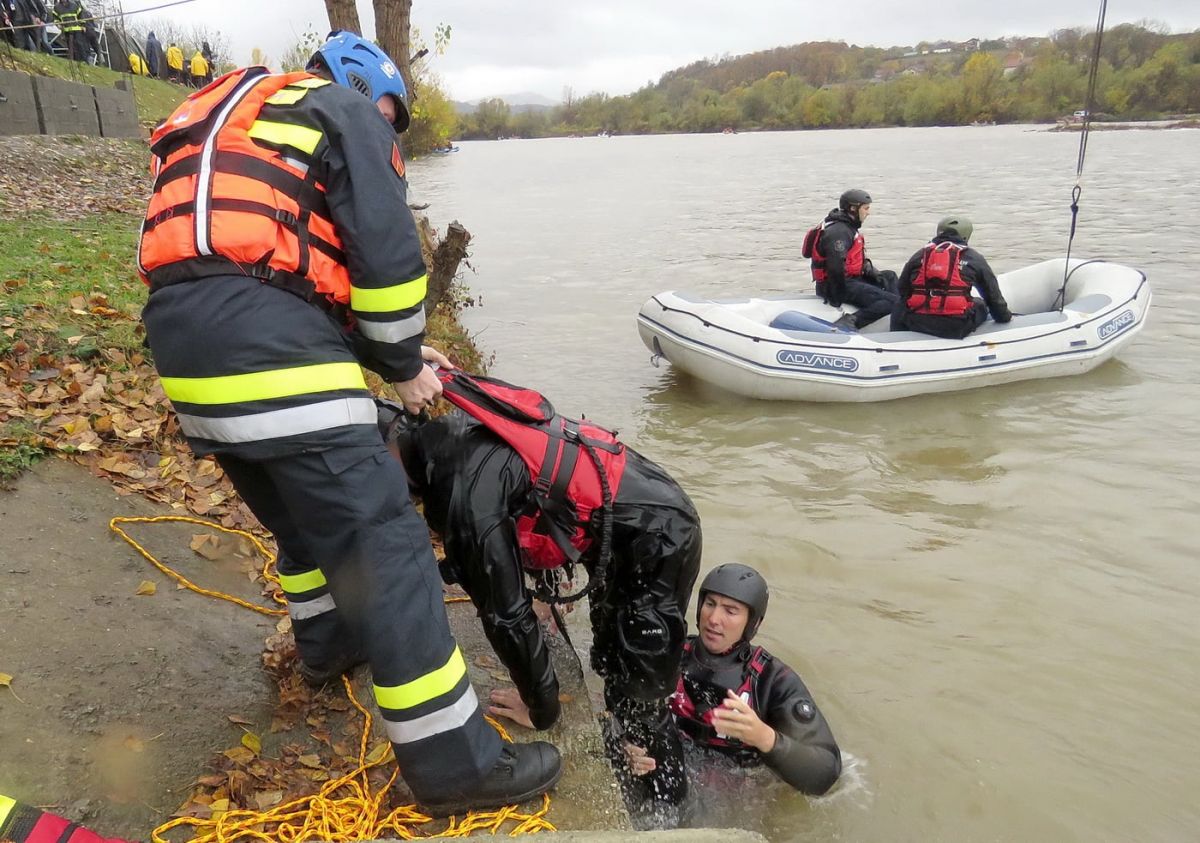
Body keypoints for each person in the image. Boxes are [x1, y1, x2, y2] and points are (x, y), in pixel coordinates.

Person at [136, 31, 561, 815]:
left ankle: (328, 649)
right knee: (391, 549)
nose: (390, 127)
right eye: (391, 112)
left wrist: (386, 348)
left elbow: (265, 261)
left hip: (186, 357)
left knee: (301, 522)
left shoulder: (226, 112)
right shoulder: (343, 111)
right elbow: (389, 254)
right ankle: (455, 765)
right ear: (365, 88)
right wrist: (402, 362)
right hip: (270, 354)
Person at [378, 374, 702, 815]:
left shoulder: (463, 487)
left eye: (377, 470)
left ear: (391, 450)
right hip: (632, 519)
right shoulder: (449, 432)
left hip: (663, 535)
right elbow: (538, 501)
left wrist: (541, 709)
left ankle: (672, 807)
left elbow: (506, 616)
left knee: (640, 687)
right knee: (608, 658)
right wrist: (543, 591)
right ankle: (630, 754)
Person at [624, 564, 841, 796]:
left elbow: (826, 772)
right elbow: (623, 714)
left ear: (753, 623)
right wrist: (628, 748)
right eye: (710, 604)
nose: (714, 619)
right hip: (673, 775)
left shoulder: (772, 681)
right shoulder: (670, 656)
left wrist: (764, 737)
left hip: (735, 793)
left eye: (730, 610)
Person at [890, 215, 1013, 340]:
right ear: (966, 235)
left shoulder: (919, 254)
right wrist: (1004, 317)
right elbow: (993, 296)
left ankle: (894, 338)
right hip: (956, 327)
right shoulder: (973, 258)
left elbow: (902, 289)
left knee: (900, 303)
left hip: (916, 322)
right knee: (980, 304)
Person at [803, 188, 899, 332]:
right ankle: (850, 321)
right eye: (866, 208)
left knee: (889, 276)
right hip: (835, 286)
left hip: (850, 279)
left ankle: (898, 317)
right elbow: (835, 267)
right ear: (853, 209)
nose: (868, 212)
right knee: (893, 302)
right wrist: (837, 297)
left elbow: (849, 258)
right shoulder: (840, 231)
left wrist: (867, 268)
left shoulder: (846, 226)